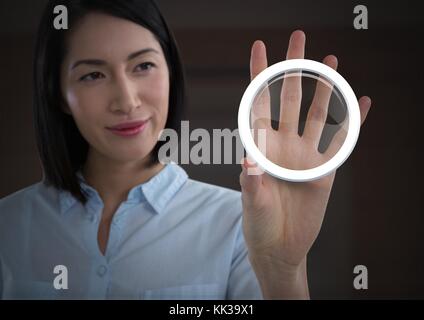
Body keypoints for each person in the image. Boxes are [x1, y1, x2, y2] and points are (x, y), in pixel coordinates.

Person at [0, 0, 372, 299]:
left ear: (171, 72)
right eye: (93, 74)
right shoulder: (7, 226)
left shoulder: (238, 225)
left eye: (143, 65)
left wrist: (283, 271)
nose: (126, 100)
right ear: (59, 94)